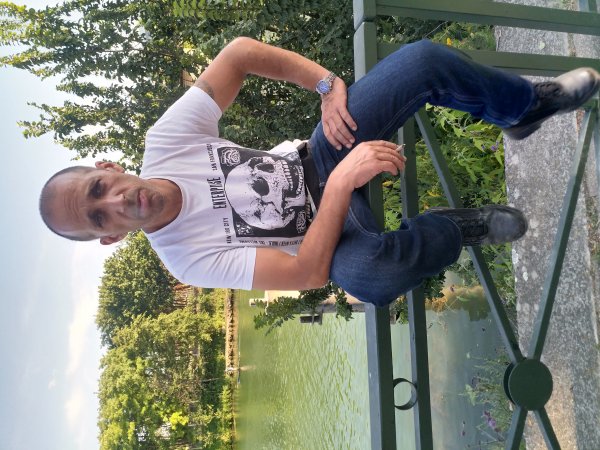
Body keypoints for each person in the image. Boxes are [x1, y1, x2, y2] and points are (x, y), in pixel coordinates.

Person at [39, 38, 600, 306]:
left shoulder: (166, 143)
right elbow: (308, 273)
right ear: (110, 238)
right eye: (98, 218)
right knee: (371, 278)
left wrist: (326, 85)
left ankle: (522, 108)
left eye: (99, 189)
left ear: (107, 167)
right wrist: (343, 184)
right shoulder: (183, 257)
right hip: (331, 236)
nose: (114, 202)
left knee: (421, 63)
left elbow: (237, 56)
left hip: (321, 153)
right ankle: (458, 227)